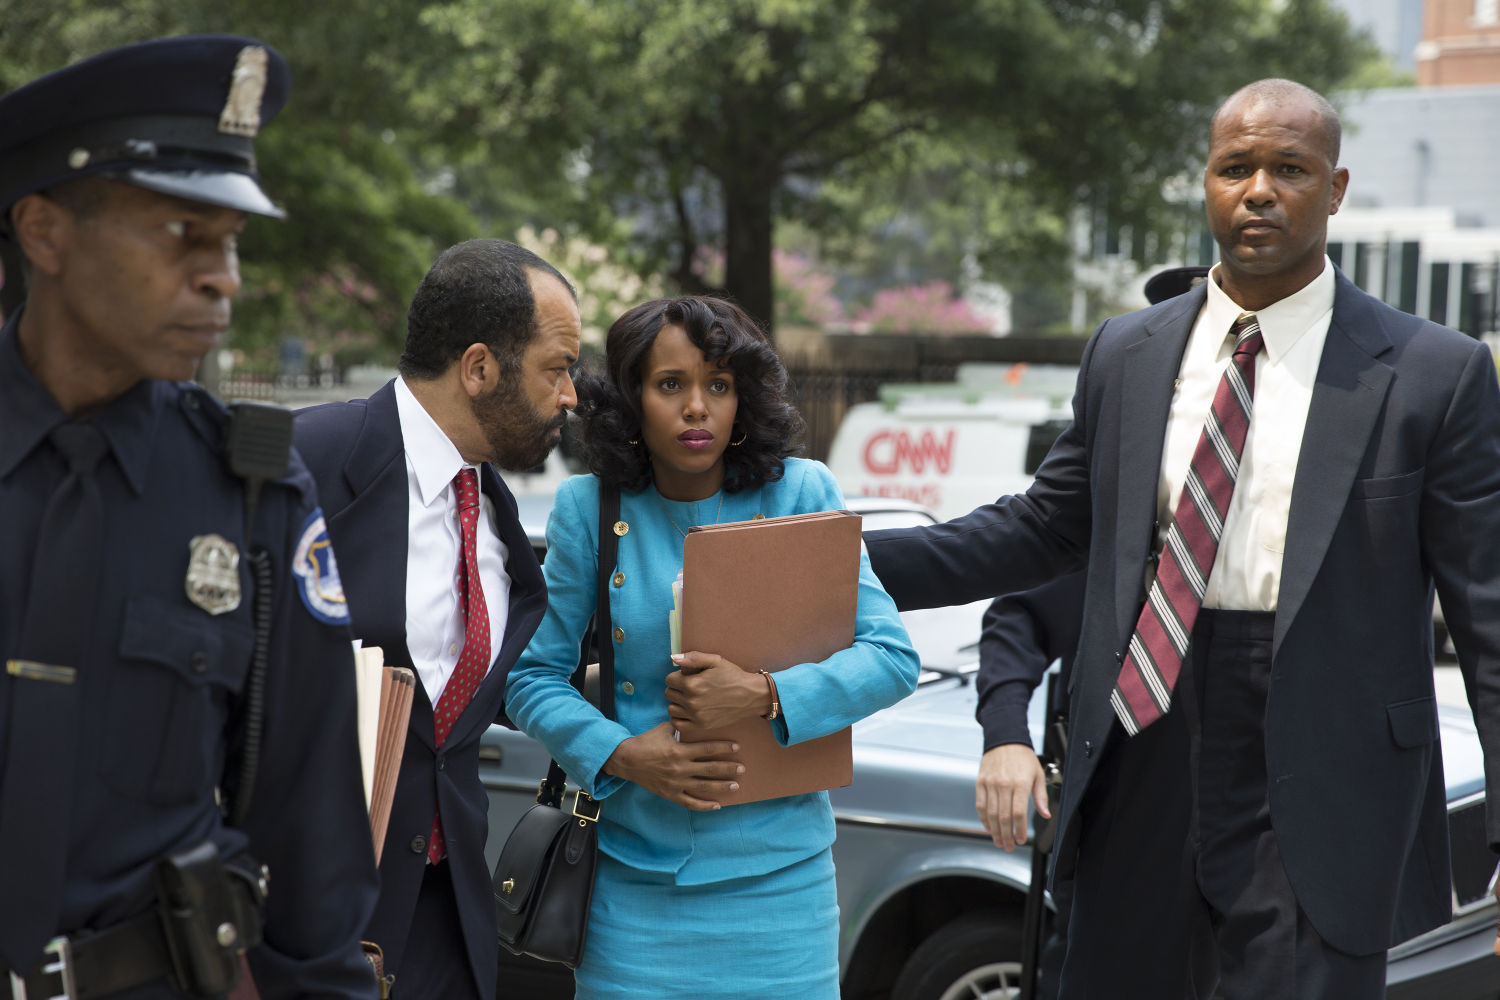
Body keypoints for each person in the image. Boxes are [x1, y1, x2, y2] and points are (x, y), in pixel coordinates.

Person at [863, 77, 1500, 999]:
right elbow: (1043, 528)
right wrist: (843, 563)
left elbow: (1486, 611)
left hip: (1326, 771)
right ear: (1205, 182)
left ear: (1337, 187)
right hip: (1139, 739)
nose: (1259, 190)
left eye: (1290, 168)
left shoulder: (1435, 373)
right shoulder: (1127, 351)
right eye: (1234, 167)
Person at [0, 35, 379, 999]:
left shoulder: (252, 492)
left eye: (233, 242)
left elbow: (312, 843)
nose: (224, 279)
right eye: (182, 234)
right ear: (43, 232)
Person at [504, 295, 919, 999]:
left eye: (718, 385)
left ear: (742, 397)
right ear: (633, 398)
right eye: (671, 385)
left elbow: (890, 657)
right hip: (631, 892)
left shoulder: (803, 492)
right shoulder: (590, 508)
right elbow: (531, 677)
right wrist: (624, 756)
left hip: (781, 891)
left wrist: (765, 695)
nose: (697, 407)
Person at [293, 238, 580, 1000]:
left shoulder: (497, 513)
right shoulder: (310, 463)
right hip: (312, 924)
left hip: (450, 925)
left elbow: (455, 709)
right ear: (480, 367)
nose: (572, 395)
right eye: (558, 368)